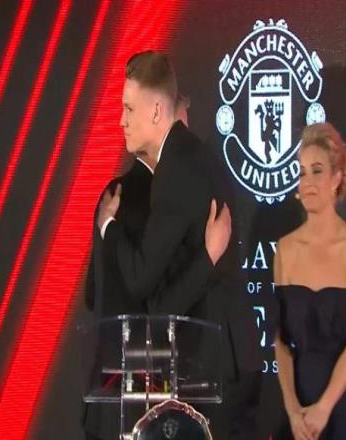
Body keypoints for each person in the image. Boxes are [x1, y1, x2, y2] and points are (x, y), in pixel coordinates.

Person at [98, 50, 262, 439]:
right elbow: (170, 288)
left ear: (156, 110)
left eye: (129, 108)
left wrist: (109, 226)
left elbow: (140, 279)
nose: (121, 120)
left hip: (211, 366)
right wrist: (207, 257)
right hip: (228, 359)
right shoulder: (194, 154)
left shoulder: (176, 170)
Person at [83, 94, 230, 439]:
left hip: (108, 404)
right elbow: (161, 303)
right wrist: (209, 255)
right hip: (150, 408)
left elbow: (93, 293)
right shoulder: (165, 200)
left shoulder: (112, 194)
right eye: (180, 128)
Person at [273, 122, 346, 439]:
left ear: (336, 178)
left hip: (343, 406)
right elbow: (280, 342)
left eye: (317, 171)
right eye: (302, 172)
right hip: (298, 409)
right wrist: (293, 410)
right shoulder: (285, 249)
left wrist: (324, 408)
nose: (307, 182)